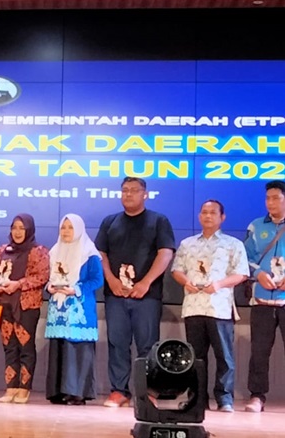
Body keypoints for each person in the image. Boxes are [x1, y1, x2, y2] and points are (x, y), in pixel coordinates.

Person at [95, 177, 175, 408]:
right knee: (117, 342)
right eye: (124, 190)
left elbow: (166, 253)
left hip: (146, 296)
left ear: (145, 194)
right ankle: (119, 391)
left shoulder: (158, 221)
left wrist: (146, 282)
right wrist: (111, 280)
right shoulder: (110, 222)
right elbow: (100, 254)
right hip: (116, 295)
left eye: (134, 190)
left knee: (148, 345)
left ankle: (148, 391)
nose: (128, 194)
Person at [171, 200, 248, 413]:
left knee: (224, 357)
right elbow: (177, 270)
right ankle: (197, 399)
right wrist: (185, 281)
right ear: (199, 216)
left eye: (213, 212)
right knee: (195, 357)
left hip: (219, 307)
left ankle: (224, 399)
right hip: (193, 306)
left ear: (222, 217)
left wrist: (219, 284)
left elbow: (242, 273)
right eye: (204, 212)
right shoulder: (187, 243)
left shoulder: (233, 244)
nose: (207, 216)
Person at [0, 213, 50, 404]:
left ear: (29, 230)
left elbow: (42, 277)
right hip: (5, 305)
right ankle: (11, 387)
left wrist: (18, 284)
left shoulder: (38, 251)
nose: (17, 232)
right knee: (10, 347)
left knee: (25, 348)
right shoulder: (2, 250)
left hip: (26, 306)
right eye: (14, 228)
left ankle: (24, 388)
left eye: (21, 228)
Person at [44, 214, 103, 406]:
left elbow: (97, 280)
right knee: (59, 347)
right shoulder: (55, 251)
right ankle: (57, 391)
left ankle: (77, 392)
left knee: (76, 348)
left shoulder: (89, 252)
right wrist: (49, 287)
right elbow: (49, 278)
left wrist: (76, 289)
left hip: (79, 309)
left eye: (70, 228)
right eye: (63, 227)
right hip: (59, 309)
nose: (66, 231)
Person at [244, 180, 285, 413]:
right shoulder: (256, 226)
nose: (270, 202)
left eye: (276, 198)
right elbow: (245, 258)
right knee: (259, 351)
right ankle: (257, 396)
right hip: (261, 299)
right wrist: (258, 273)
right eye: (268, 198)